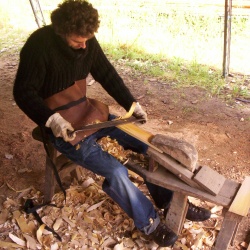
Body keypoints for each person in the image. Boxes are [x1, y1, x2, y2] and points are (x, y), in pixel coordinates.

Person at [13, 0, 211, 247]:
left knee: (142, 142)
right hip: (61, 125)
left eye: (88, 39)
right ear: (61, 31)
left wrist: (131, 104)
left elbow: (105, 72)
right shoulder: (39, 46)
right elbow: (23, 92)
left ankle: (170, 201)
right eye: (78, 40)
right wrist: (51, 120)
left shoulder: (87, 42)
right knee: (116, 171)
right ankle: (149, 223)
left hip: (87, 112)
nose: (84, 45)